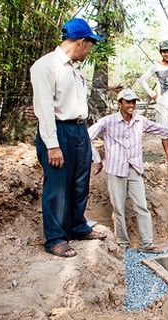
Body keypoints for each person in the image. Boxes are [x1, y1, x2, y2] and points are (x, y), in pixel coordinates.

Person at [88, 89, 168, 253]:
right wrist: (97, 159)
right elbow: (87, 136)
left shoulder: (140, 121)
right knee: (118, 208)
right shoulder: (108, 121)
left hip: (134, 168)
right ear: (120, 104)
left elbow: (162, 129)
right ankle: (123, 244)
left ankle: (147, 244)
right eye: (128, 102)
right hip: (115, 169)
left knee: (142, 206)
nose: (131, 105)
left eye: (133, 102)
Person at [31, 18, 107, 258]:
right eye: (90, 45)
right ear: (82, 42)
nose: (90, 50)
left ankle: (77, 226)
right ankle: (55, 238)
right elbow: (44, 109)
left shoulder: (75, 68)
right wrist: (52, 146)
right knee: (57, 186)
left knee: (79, 182)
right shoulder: (45, 66)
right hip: (58, 130)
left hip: (79, 129)